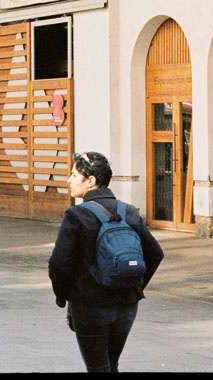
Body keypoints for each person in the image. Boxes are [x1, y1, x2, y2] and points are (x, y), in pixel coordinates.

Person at [48, 151, 164, 373]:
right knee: (111, 364)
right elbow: (155, 254)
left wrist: (63, 297)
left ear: (90, 181)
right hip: (127, 305)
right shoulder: (128, 211)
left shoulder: (76, 215)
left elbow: (58, 264)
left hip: (90, 306)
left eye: (73, 174)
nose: (68, 180)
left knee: (98, 367)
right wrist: (133, 284)